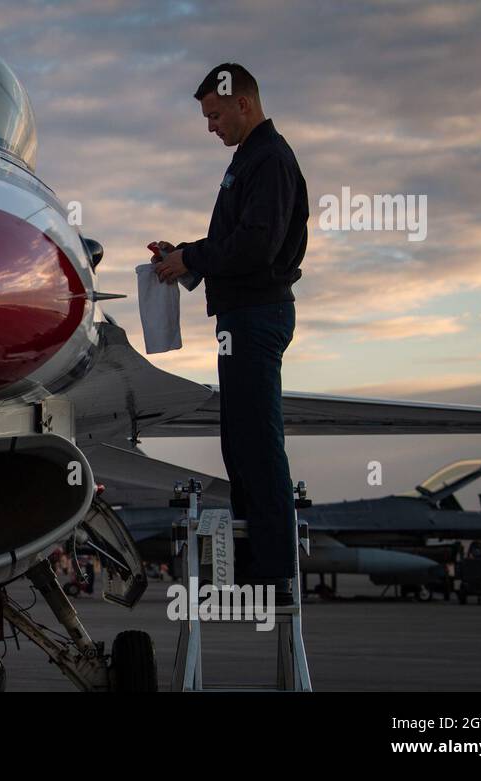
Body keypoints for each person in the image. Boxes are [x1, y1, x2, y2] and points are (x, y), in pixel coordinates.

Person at [150, 63, 307, 597]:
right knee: (241, 441)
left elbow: (256, 247)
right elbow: (239, 243)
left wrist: (193, 256)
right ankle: (258, 564)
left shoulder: (270, 160)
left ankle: (273, 571)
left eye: (215, 115)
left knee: (258, 442)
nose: (210, 126)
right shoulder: (251, 160)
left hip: (256, 317)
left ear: (244, 103)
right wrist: (184, 259)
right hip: (242, 318)